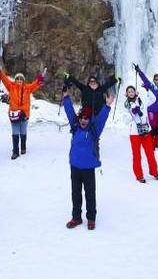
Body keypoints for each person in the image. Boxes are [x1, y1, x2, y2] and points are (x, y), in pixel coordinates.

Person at [63, 90, 112, 229]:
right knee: (75, 194)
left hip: (88, 168)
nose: (84, 120)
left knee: (90, 194)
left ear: (90, 120)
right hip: (75, 166)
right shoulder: (75, 126)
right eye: (82, 117)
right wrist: (66, 98)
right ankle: (76, 217)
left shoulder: (94, 130)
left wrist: (107, 106)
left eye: (86, 118)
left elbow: (101, 118)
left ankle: (91, 218)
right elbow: (70, 112)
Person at [0, 64, 45, 158]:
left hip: (24, 115)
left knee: (23, 132)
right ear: (15, 80)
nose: (19, 80)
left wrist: (40, 78)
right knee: (15, 133)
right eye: (17, 79)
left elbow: (36, 84)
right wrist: (0, 72)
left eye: (21, 79)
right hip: (14, 115)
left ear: (23, 80)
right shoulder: (11, 86)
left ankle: (23, 147)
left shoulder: (28, 88)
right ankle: (15, 151)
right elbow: (5, 79)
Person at [122, 84, 158, 182]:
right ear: (126, 94)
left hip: (145, 131)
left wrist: (147, 89)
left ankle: (154, 172)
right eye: (129, 92)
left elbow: (153, 99)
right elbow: (126, 120)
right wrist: (133, 112)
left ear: (135, 92)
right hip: (134, 133)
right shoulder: (126, 105)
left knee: (150, 153)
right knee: (137, 155)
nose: (131, 93)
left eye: (132, 91)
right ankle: (139, 175)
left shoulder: (141, 100)